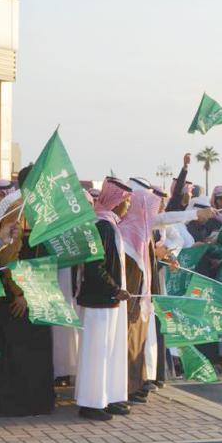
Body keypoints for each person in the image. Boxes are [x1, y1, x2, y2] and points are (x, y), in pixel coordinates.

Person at [0, 165, 56, 416]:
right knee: (18, 350)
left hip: (37, 290)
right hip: (18, 294)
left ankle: (35, 403)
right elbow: (7, 254)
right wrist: (19, 293)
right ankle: (14, 405)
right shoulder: (18, 208)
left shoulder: (38, 208)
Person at [75, 178, 133, 420]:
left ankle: (107, 397)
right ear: (116, 201)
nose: (127, 207)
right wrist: (113, 288)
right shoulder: (101, 226)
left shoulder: (110, 224)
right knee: (96, 352)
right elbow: (94, 266)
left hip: (110, 300)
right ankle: (90, 403)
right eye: (125, 202)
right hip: (99, 299)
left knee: (109, 351)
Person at [120, 185, 162, 404]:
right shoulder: (128, 230)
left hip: (141, 299)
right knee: (128, 346)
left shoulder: (141, 229)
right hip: (130, 301)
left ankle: (136, 385)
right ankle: (127, 389)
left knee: (138, 345)